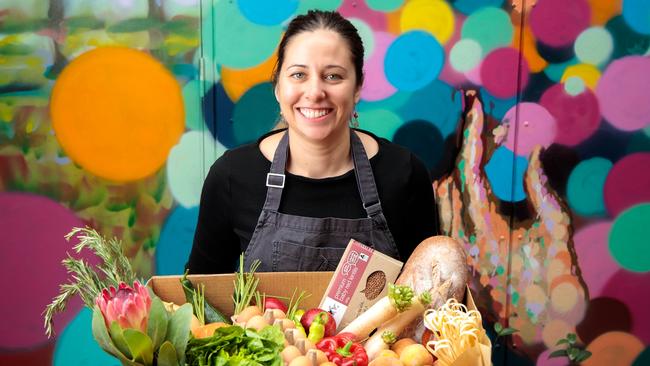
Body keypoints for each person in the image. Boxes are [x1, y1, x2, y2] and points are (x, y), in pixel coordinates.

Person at [186, 10, 439, 274]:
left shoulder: (404, 174)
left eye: (333, 76)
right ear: (277, 87)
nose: (315, 92)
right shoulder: (232, 176)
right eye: (298, 75)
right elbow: (199, 297)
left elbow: (429, 301)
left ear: (357, 88)